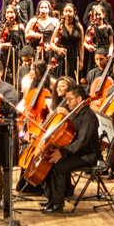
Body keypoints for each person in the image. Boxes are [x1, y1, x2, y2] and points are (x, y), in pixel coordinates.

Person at [41, 82, 100, 213]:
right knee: (49, 160)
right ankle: (51, 199)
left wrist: (62, 152)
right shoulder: (76, 114)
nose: (67, 102)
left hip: (87, 155)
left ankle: (57, 205)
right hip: (77, 152)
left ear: (79, 99)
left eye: (69, 99)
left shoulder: (88, 116)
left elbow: (81, 142)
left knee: (58, 165)